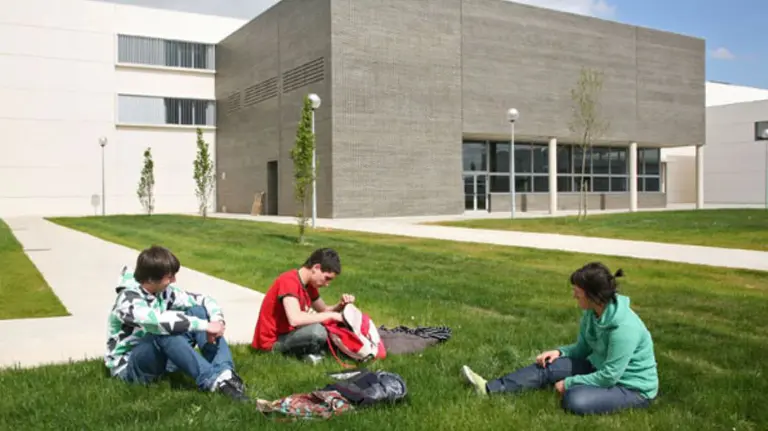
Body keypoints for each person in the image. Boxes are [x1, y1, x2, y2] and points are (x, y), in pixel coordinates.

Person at [461, 262, 659, 416]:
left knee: (573, 400)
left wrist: (570, 383)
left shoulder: (624, 327)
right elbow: (582, 348)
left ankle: (580, 390)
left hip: (631, 388)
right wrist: (559, 352)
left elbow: (610, 376)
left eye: (578, 292)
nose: (574, 295)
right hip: (599, 368)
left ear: (593, 295)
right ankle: (489, 388)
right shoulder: (592, 313)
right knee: (549, 365)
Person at [105, 245, 248, 402]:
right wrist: (204, 326)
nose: (174, 280)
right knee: (163, 331)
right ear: (151, 279)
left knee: (198, 310)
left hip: (160, 358)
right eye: (169, 276)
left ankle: (226, 374)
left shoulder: (163, 291)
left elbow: (203, 299)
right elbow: (157, 322)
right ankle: (213, 381)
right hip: (130, 367)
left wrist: (216, 319)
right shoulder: (128, 300)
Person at [251, 248, 353, 360]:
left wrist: (340, 306)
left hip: (289, 334)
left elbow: (323, 310)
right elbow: (295, 319)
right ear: (316, 268)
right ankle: (315, 354)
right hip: (271, 343)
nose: (327, 284)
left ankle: (314, 355)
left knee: (330, 327)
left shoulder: (309, 285)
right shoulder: (289, 281)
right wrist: (331, 316)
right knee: (318, 332)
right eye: (327, 278)